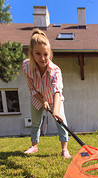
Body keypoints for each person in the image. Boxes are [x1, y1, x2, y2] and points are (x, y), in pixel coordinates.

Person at [22, 28, 71, 159]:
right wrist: (42, 100)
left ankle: (64, 149)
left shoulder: (55, 70)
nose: (42, 58)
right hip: (37, 97)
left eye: (46, 54)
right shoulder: (26, 66)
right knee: (36, 123)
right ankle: (34, 146)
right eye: (38, 54)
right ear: (31, 53)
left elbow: (57, 91)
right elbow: (31, 89)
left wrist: (55, 111)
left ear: (50, 53)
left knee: (61, 122)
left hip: (55, 99)